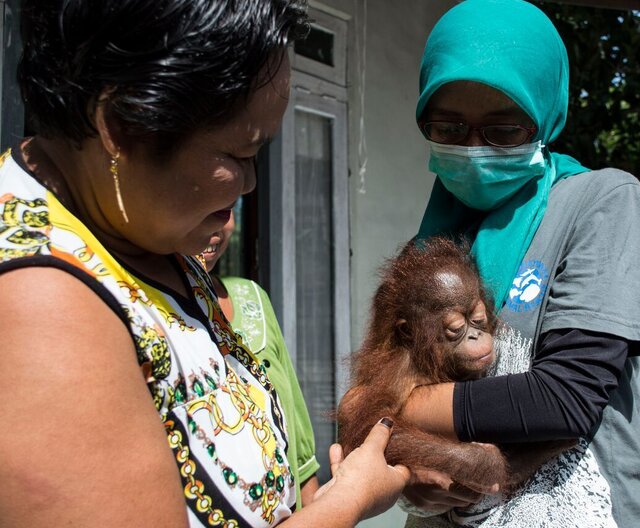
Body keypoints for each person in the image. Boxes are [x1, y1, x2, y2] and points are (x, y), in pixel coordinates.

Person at [0, 1, 409, 527]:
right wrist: (348, 503)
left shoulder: (138, 231)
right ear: (122, 124)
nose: (252, 183)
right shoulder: (37, 305)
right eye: (240, 153)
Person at [398, 0, 640, 527]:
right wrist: (415, 475)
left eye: (503, 132)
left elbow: (562, 400)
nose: (474, 150)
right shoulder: (430, 242)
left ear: (543, 118)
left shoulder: (601, 201)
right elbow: (372, 382)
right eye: (450, 129)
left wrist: (395, 411)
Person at [200, 210, 321, 509]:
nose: (216, 221)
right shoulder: (150, 311)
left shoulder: (252, 296)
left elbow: (296, 426)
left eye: (227, 207)